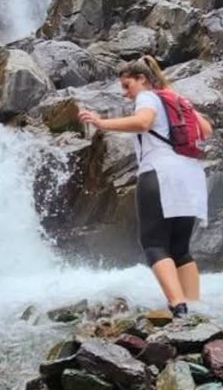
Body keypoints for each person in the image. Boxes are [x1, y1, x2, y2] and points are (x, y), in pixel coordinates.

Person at [78, 56, 212, 317]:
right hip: (190, 174)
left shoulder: (149, 97)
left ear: (142, 79)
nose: (126, 94)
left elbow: (143, 123)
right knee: (180, 248)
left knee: (153, 243)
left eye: (127, 86)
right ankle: (195, 306)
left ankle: (177, 306)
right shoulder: (177, 100)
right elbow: (206, 130)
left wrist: (101, 123)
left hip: (160, 172)